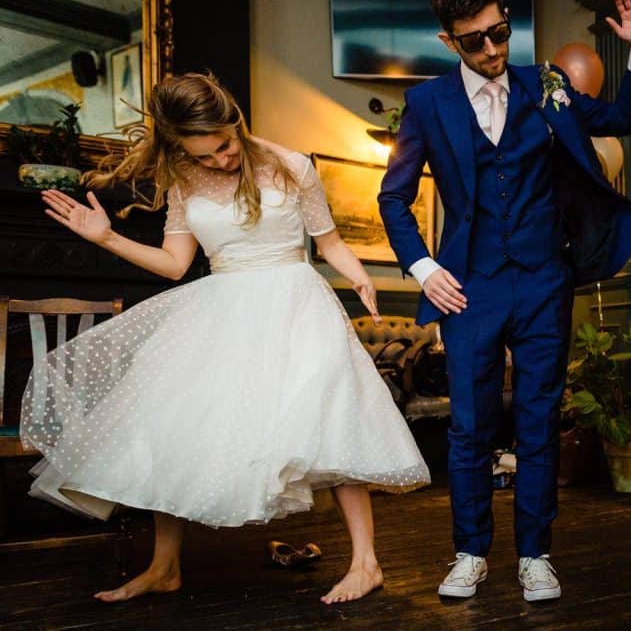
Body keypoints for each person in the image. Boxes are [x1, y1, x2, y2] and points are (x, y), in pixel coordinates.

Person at [22, 73, 430, 604]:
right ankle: (164, 568)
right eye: (204, 155)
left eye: (224, 145)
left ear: (235, 121)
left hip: (296, 306)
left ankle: (366, 564)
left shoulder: (292, 166)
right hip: (221, 311)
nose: (220, 160)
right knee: (173, 427)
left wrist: (359, 276)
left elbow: (328, 242)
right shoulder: (184, 181)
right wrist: (107, 238)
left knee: (330, 423)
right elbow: (174, 265)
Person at [379, 0, 631, 602]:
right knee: (470, 428)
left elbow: (620, 117)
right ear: (448, 40)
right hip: (468, 287)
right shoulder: (427, 104)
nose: (492, 49)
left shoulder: (546, 84)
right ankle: (471, 553)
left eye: (499, 32)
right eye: (474, 40)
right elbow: (394, 198)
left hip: (543, 282)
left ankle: (535, 554)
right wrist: (424, 267)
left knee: (538, 421)